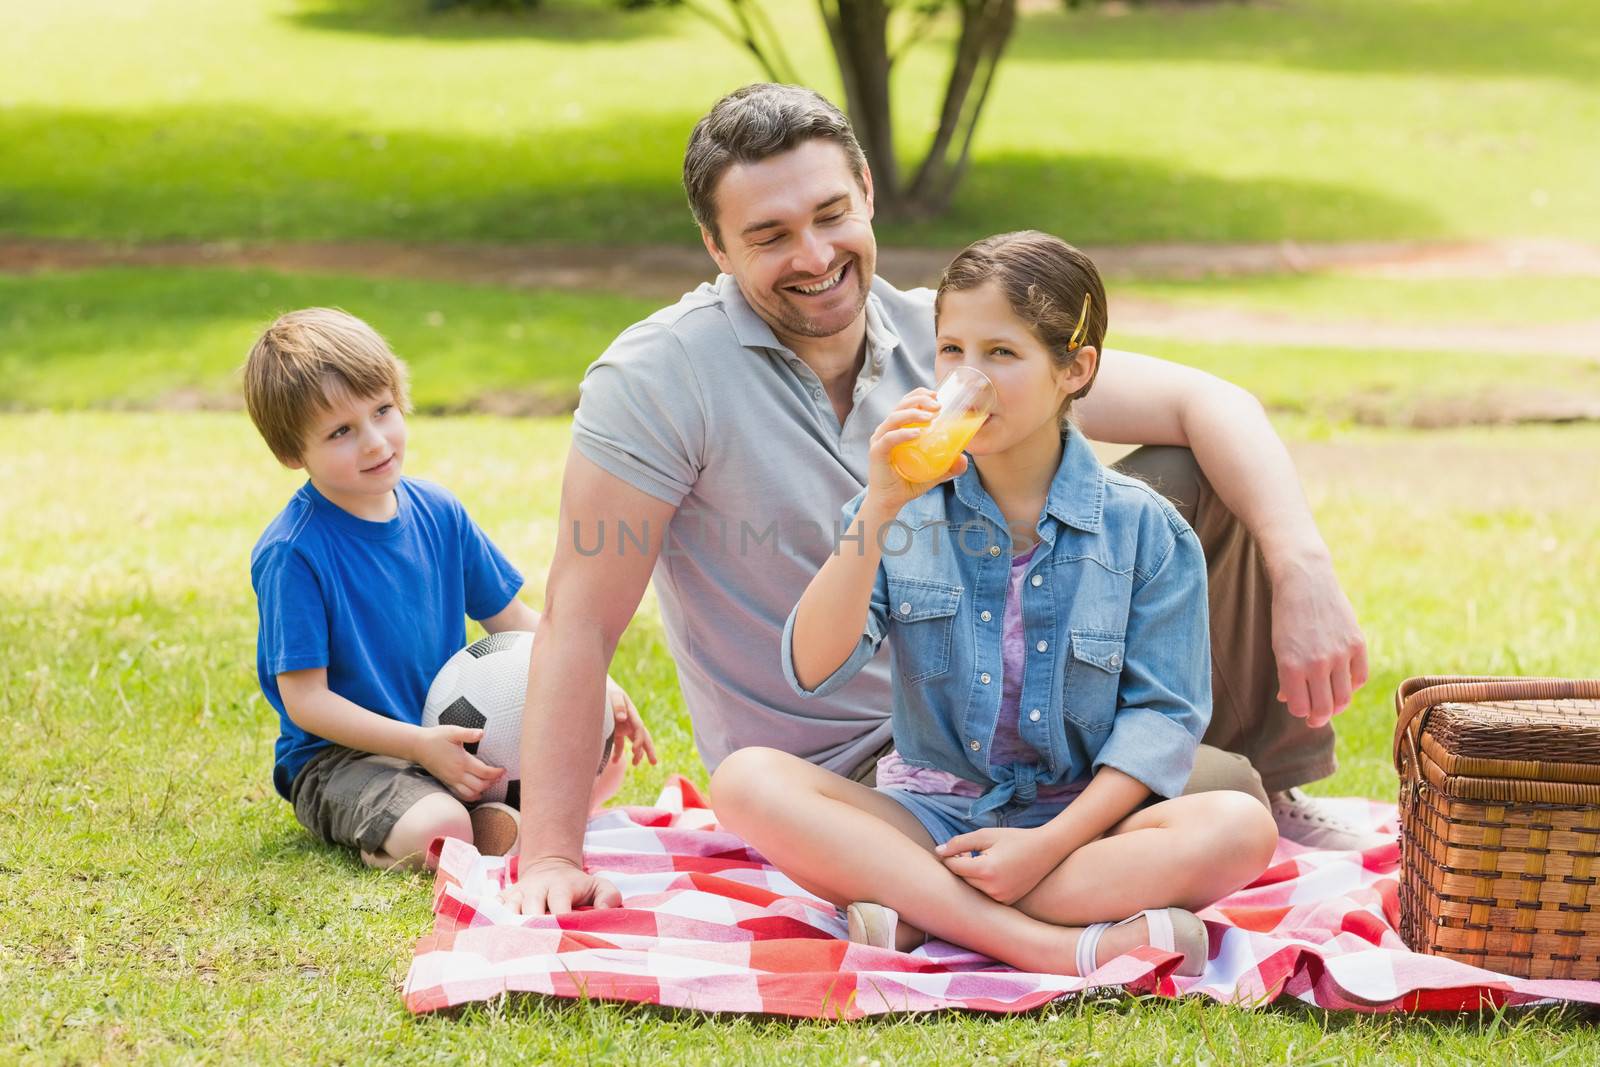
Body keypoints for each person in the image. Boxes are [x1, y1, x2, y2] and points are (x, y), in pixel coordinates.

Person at [505, 84, 1368, 916]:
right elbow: (580, 621)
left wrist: (1303, 569)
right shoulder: (659, 379)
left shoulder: (950, 339)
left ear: (867, 193)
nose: (813, 256)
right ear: (716, 247)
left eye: (830, 215)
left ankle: (929, 899)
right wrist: (550, 852)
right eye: (769, 235)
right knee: (1218, 797)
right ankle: (1010, 899)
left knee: (1200, 486)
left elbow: (1209, 402)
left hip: (1029, 730)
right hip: (845, 775)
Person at [712, 231, 1279, 974]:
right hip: (928, 817)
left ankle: (916, 909)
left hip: (1076, 830)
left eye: (1002, 354)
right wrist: (878, 509)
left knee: (1240, 824)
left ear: (1075, 369)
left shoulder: (1146, 531)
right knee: (746, 779)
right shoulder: (899, 510)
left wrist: (1045, 844)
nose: (967, 378)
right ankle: (1050, 943)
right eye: (951, 350)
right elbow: (812, 665)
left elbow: (1162, 723)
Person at [245, 308, 654, 871]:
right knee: (440, 826)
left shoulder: (437, 512)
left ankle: (496, 821)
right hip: (345, 758)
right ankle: (426, 834)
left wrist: (598, 681)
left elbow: (511, 618)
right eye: (341, 431)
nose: (373, 442)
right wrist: (416, 747)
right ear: (293, 453)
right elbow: (306, 702)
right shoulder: (293, 552)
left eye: (382, 411)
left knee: (602, 754)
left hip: (452, 735)